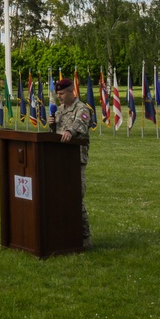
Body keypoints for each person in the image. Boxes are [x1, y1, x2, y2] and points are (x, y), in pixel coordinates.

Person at [48, 77, 92, 249]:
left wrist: (69, 130)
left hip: (75, 159)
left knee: (76, 198)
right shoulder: (58, 111)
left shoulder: (82, 109)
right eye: (57, 94)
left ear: (71, 92)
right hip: (59, 159)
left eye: (62, 93)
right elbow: (55, 134)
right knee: (59, 198)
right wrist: (51, 126)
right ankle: (63, 235)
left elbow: (80, 125)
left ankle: (85, 238)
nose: (59, 97)